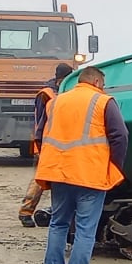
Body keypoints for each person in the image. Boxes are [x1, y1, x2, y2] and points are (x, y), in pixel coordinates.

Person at [34, 64, 127, 264]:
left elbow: (38, 135)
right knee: (85, 229)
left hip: (58, 173)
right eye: (103, 85)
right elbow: (121, 135)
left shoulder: (55, 102)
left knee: (58, 224)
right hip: (90, 174)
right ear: (96, 82)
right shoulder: (103, 101)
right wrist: (114, 168)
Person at [19, 61, 76, 228]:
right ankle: (26, 211)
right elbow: (41, 123)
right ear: (63, 78)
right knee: (41, 178)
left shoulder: (59, 93)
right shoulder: (47, 95)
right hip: (48, 143)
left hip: (60, 142)